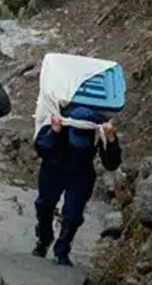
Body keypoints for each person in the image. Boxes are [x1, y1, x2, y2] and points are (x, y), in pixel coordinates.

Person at [32, 105, 121, 267]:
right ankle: (44, 239)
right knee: (44, 206)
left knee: (73, 215)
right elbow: (41, 149)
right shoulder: (59, 121)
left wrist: (111, 139)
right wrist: (54, 132)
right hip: (53, 168)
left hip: (81, 173)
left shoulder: (97, 130)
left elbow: (112, 163)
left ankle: (62, 250)